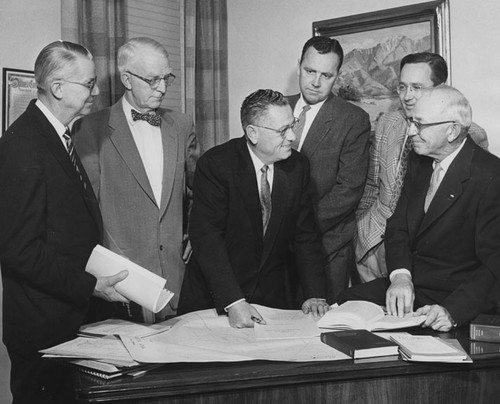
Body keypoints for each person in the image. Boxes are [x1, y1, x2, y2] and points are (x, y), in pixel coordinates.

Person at [0, 41, 128, 404]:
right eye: (88, 84)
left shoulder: (59, 137)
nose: (97, 92)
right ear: (57, 88)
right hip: (43, 330)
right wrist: (91, 285)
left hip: (66, 322)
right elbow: (17, 250)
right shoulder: (22, 145)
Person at [338, 85, 500, 332]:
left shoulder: (491, 175)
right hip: (413, 284)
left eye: (420, 124)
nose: (411, 131)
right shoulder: (420, 159)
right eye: (411, 122)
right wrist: (401, 276)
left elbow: (494, 266)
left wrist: (453, 312)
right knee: (341, 306)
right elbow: (398, 226)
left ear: (452, 130)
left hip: (457, 297)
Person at [74, 37, 201, 323]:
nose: (163, 88)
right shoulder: (91, 128)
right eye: (153, 80)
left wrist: (194, 235)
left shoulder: (181, 125)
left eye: (167, 78)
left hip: (176, 283)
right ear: (127, 79)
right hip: (120, 286)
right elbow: (85, 212)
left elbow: (200, 189)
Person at [177, 89, 328, 327]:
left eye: (293, 125)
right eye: (282, 131)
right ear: (252, 133)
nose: (292, 137)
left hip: (272, 300)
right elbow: (207, 239)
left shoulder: (298, 167)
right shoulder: (217, 165)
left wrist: (314, 292)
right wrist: (233, 301)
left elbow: (305, 235)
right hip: (217, 299)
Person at [356, 52, 489, 282]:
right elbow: (372, 185)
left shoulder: (469, 134)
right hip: (373, 246)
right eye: (402, 87)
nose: (407, 96)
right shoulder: (387, 124)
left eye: (417, 87)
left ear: (440, 88)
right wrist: (361, 228)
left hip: (424, 254)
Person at [286, 36, 371, 302]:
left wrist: (295, 228)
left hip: (325, 246)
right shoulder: (274, 107)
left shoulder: (353, 120)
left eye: (326, 75)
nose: (315, 82)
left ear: (337, 76)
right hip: (271, 250)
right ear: (299, 65)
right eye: (310, 71)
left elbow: (348, 190)